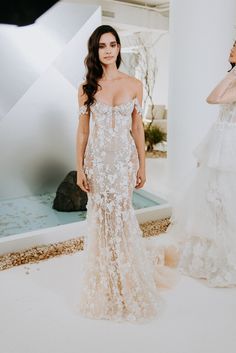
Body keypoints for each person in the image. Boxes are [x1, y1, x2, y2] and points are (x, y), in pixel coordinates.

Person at [75, 25, 178, 323]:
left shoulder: (133, 84)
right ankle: (105, 282)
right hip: (97, 162)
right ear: (95, 51)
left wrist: (142, 165)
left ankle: (125, 280)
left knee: (121, 219)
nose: (108, 50)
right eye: (102, 46)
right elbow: (82, 133)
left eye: (113, 44)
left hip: (122, 163)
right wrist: (80, 167)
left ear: (119, 48)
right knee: (101, 221)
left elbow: (137, 128)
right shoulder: (86, 88)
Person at [167, 41, 236, 287]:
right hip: (220, 142)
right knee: (212, 199)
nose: (230, 49)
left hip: (231, 148)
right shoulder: (233, 75)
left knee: (227, 200)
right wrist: (232, 72)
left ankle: (227, 260)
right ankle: (209, 258)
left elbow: (214, 98)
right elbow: (214, 98)